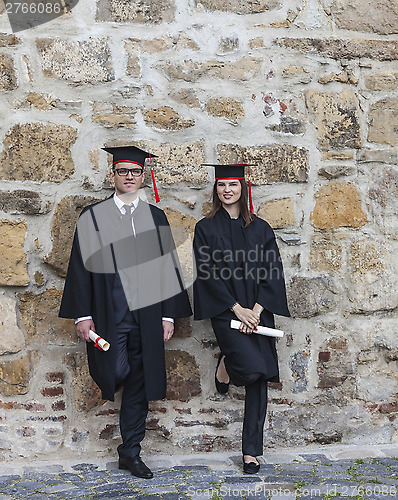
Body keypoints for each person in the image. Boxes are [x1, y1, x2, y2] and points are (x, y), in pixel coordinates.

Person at [59, 145, 192, 479]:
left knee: (140, 380)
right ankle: (117, 397)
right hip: (109, 313)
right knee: (115, 368)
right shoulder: (93, 217)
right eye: (123, 172)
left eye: (135, 172)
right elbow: (80, 267)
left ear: (142, 176)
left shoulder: (154, 217)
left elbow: (166, 268)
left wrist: (166, 315)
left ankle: (130, 453)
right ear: (112, 176)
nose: (129, 177)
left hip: (146, 314)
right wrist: (82, 315)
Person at [193, 164, 290, 474]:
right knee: (249, 368)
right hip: (227, 313)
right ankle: (227, 365)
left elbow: (272, 270)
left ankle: (251, 451)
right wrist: (237, 309)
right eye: (221, 185)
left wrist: (257, 311)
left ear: (242, 188)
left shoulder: (260, 228)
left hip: (259, 310)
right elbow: (207, 276)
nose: (227, 190)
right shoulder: (205, 229)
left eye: (232, 184)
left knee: (260, 375)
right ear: (216, 189)